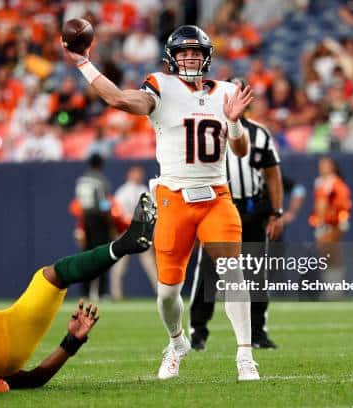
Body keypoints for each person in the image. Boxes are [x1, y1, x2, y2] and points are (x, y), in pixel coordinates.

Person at [63, 24, 259, 380]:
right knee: (168, 291)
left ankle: (245, 355)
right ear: (172, 57)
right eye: (183, 52)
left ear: (206, 56)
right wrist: (83, 64)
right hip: (174, 197)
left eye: (196, 52)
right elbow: (121, 99)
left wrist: (233, 124)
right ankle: (176, 341)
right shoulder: (160, 86)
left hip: (216, 194)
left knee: (234, 274)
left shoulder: (227, 92)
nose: (189, 58)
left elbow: (241, 149)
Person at [0, 194, 156, 391]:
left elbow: (33, 379)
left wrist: (71, 343)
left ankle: (125, 243)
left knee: (51, 276)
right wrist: (71, 343)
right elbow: (33, 380)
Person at [188, 77, 284, 351]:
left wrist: (276, 212)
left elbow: (272, 174)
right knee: (208, 272)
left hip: (251, 210)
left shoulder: (260, 134)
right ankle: (198, 331)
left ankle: (257, 332)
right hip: (217, 208)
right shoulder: (206, 128)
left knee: (255, 273)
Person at [110, 166, 158, 300]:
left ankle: (160, 293)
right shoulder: (123, 191)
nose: (138, 175)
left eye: (140, 173)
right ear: (130, 174)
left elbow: (151, 212)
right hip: (125, 232)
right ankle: (116, 294)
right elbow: (117, 212)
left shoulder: (143, 189)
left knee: (149, 264)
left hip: (141, 231)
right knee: (119, 264)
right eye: (136, 173)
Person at [309, 157, 352, 298]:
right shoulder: (320, 183)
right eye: (321, 165)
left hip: (332, 224)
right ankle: (330, 289)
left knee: (333, 256)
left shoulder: (336, 184)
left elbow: (343, 205)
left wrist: (341, 223)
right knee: (325, 258)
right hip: (323, 225)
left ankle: (335, 290)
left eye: (326, 165)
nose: (322, 168)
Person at [75, 153, 114, 299]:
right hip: (98, 220)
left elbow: (79, 204)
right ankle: (101, 292)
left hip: (84, 219)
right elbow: (104, 205)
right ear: (100, 165)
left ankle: (85, 292)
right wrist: (110, 225)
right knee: (102, 255)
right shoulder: (100, 181)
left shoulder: (81, 181)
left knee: (86, 257)